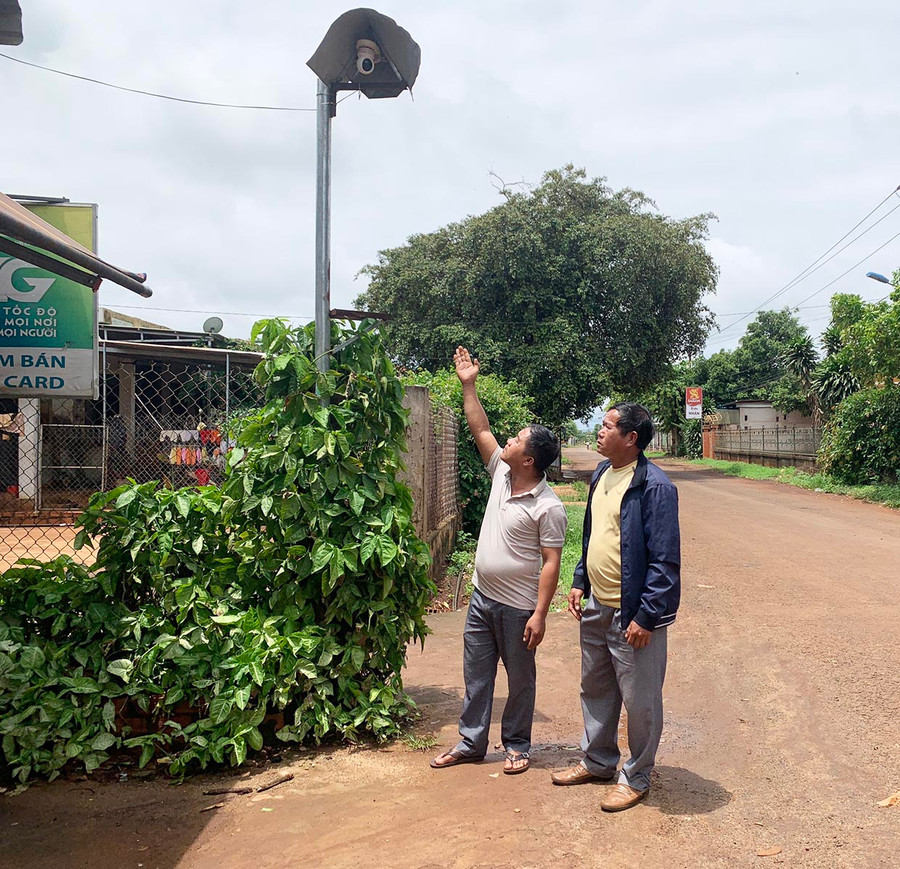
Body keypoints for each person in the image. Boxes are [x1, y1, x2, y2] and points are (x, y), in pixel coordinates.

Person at [431, 346, 567, 775]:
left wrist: (540, 614)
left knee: (520, 680)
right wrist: (468, 386)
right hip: (481, 599)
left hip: (519, 608)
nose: (507, 441)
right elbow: (481, 428)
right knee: (476, 675)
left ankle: (517, 745)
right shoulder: (502, 474)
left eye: (516, 440)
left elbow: (551, 562)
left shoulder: (548, 506)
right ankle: (471, 742)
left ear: (529, 459)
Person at [550, 402, 680, 811]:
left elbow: (665, 561)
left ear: (631, 438)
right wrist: (579, 580)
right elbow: (594, 536)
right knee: (596, 688)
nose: (599, 431)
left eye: (607, 426)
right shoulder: (602, 473)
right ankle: (598, 761)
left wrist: (646, 616)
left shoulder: (655, 487)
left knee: (641, 700)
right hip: (597, 607)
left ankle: (637, 776)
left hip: (633, 614)